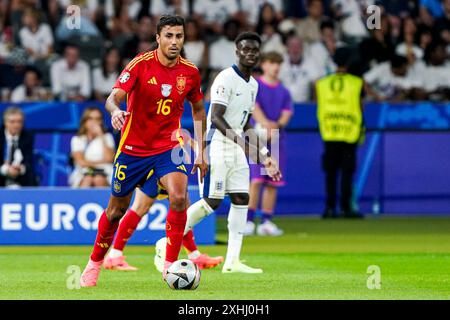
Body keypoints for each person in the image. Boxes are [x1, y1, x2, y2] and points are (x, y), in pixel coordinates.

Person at [79, 15, 208, 287]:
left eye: (179, 36)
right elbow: (113, 97)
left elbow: (198, 109)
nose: (175, 42)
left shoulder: (190, 72)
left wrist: (201, 151)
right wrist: (115, 112)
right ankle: (94, 263)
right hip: (133, 149)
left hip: (169, 146)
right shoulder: (140, 64)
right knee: (116, 210)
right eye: (169, 36)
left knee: (178, 196)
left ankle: (171, 266)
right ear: (158, 38)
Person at [179, 32, 282, 274]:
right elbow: (215, 117)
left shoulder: (253, 85)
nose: (249, 54)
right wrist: (245, 146)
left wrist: (265, 153)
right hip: (217, 144)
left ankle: (232, 262)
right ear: (237, 52)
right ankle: (168, 239)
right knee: (211, 201)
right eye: (245, 49)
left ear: (258, 54)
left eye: (254, 50)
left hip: (236, 146)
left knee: (241, 199)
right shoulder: (225, 78)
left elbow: (245, 123)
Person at [102, 133, 223, 271]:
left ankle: (194, 255)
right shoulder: (157, 122)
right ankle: (114, 256)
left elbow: (187, 138)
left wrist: (200, 153)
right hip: (156, 167)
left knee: (179, 206)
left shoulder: (174, 125)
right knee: (142, 207)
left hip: (167, 165)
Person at [245, 51, 293, 236]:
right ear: (264, 65)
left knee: (273, 181)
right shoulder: (256, 86)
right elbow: (253, 108)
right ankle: (248, 222)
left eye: (278, 63)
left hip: (277, 141)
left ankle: (266, 222)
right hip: (258, 140)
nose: (276, 67)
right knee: (256, 181)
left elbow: (287, 112)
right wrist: (265, 124)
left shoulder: (284, 91)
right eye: (272, 63)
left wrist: (277, 125)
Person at [315, 47, 365, 219]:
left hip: (329, 132)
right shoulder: (357, 82)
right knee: (347, 172)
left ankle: (329, 208)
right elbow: (360, 107)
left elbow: (319, 105)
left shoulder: (321, 83)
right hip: (349, 132)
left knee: (330, 172)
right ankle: (346, 208)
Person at [69, 107, 115, 188]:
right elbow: (81, 162)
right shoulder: (77, 139)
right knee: (88, 179)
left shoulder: (107, 137)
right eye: (91, 119)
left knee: (99, 179)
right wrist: (102, 162)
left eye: (98, 119)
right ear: (85, 121)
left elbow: (110, 158)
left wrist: (101, 135)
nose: (94, 122)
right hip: (83, 172)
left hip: (105, 171)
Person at [0, 107, 36, 187]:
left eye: (19, 122)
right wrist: (6, 169)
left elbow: (29, 161)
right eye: (12, 122)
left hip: (21, 178)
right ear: (5, 122)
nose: (16, 125)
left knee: (31, 176)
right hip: (1, 177)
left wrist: (20, 169)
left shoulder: (27, 137)